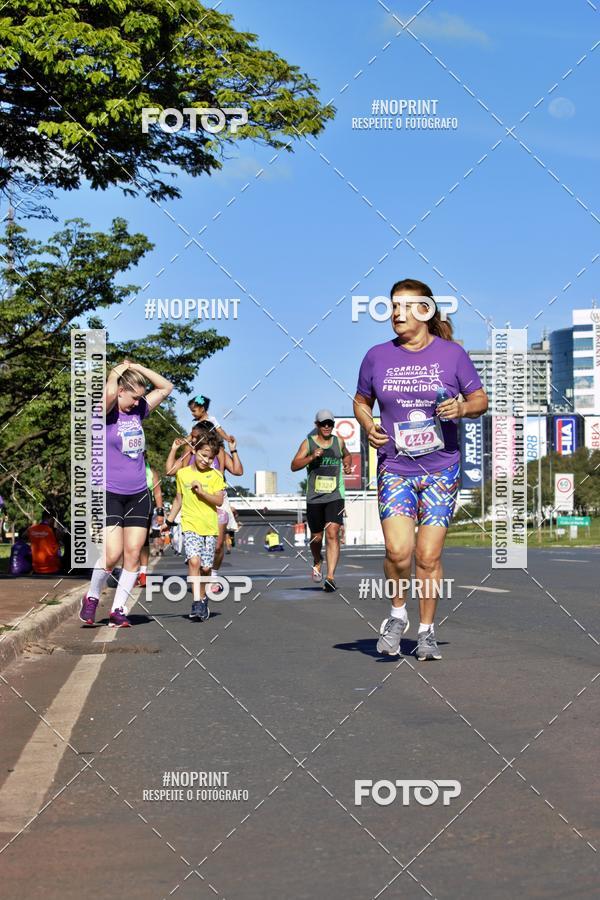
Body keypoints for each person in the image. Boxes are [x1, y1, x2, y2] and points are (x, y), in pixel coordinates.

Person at [353, 278, 488, 660]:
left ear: (425, 312)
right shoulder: (377, 356)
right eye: (393, 305)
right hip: (395, 465)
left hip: (441, 468)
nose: (396, 312)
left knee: (427, 556)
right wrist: (368, 426)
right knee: (399, 552)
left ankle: (426, 632)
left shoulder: (452, 355)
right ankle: (397, 615)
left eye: (406, 306)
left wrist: (462, 408)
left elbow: (480, 398)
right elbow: (361, 401)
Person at [79, 360, 173, 627]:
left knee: (132, 553)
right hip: (110, 492)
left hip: (138, 494)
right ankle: (93, 596)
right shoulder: (104, 413)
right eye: (133, 397)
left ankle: (118, 608)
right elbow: (109, 393)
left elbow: (166, 387)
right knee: (112, 554)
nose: (136, 402)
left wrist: (140, 367)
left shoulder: (139, 411)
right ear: (120, 391)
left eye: (139, 398)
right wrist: (115, 373)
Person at [166, 423, 243, 595]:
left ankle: (211, 576)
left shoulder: (219, 453)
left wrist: (234, 450)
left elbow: (238, 471)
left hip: (218, 502)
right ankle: (198, 587)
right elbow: (171, 471)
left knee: (217, 546)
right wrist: (175, 450)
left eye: (194, 436)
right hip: (193, 506)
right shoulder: (190, 450)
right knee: (195, 556)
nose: (190, 439)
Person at [162, 431, 225, 621]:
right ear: (195, 451)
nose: (206, 460)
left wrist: (202, 493)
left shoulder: (215, 476)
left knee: (206, 568)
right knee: (194, 562)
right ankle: (197, 602)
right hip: (189, 524)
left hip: (209, 527)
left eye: (210, 458)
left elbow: (219, 500)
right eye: (203, 455)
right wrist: (169, 522)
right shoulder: (183, 474)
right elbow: (178, 499)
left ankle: (203, 597)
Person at [290, 410, 352, 592]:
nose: (327, 427)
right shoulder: (308, 443)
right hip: (315, 497)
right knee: (317, 537)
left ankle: (331, 577)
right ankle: (318, 560)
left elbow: (346, 455)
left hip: (335, 495)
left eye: (330, 424)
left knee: (333, 532)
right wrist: (311, 457)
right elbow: (294, 465)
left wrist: (347, 464)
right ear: (316, 425)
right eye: (323, 423)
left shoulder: (338, 442)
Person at [138, 462, 164, 587]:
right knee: (125, 542)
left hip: (145, 506)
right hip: (126, 507)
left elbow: (157, 492)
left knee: (143, 541)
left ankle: (143, 573)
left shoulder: (150, 471)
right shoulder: (123, 465)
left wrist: (160, 512)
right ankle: (126, 572)